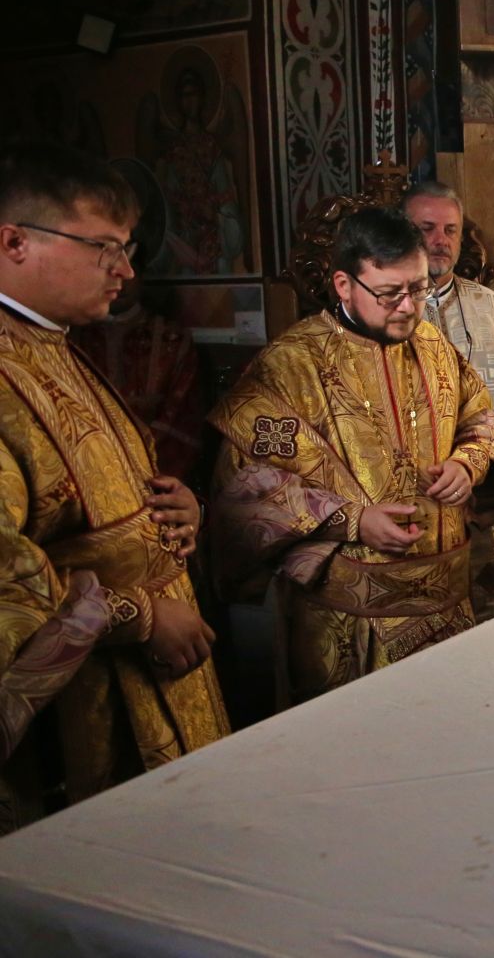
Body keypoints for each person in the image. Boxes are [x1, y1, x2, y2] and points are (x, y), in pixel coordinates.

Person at [209, 208, 494, 702]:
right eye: (389, 293)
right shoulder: (289, 365)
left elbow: (483, 421)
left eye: (420, 289)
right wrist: (353, 521)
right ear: (344, 284)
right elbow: (243, 489)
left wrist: (468, 463)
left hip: (449, 611)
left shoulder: (433, 344)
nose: (408, 307)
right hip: (346, 628)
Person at [0, 141, 228, 830]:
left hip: (156, 684)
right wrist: (142, 615)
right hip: (81, 718)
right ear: (14, 241)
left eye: (125, 249)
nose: (125, 271)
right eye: (104, 249)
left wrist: (176, 509)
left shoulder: (53, 342)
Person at [404, 181, 494, 619]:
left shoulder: (486, 305)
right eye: (426, 228)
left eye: (450, 230)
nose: (440, 240)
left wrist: (487, 479)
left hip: (485, 497)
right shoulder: (383, 310)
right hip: (409, 503)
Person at [73, 241, 205, 482]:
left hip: (155, 471)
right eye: (107, 270)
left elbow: (183, 417)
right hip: (88, 469)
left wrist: (144, 469)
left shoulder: (172, 339)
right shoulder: (74, 338)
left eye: (130, 268)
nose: (120, 281)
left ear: (141, 275)